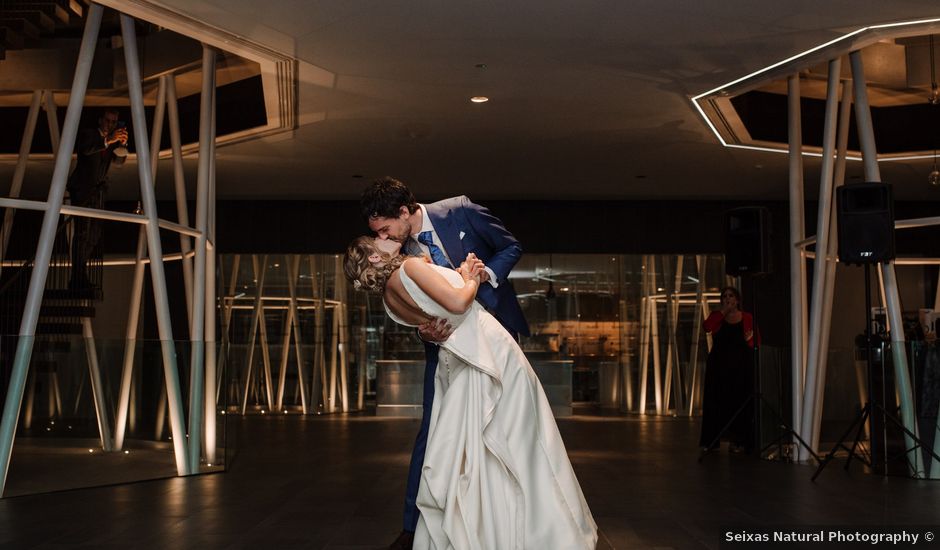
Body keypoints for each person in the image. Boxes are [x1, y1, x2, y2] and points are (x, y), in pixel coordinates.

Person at [344, 236, 597, 549]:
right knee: (522, 438)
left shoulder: (389, 299)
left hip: (458, 361)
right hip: (487, 351)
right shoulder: (408, 268)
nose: (384, 238)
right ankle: (533, 529)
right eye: (376, 240)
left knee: (475, 452)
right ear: (375, 259)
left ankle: (489, 528)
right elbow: (458, 303)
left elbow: (434, 320)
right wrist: (469, 276)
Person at [360, 177, 530, 550]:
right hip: (446, 349)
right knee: (433, 431)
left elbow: (511, 246)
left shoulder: (461, 210)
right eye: (377, 233)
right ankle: (414, 527)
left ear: (404, 212)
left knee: (504, 426)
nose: (384, 237)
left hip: (494, 335)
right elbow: (412, 306)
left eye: (386, 228)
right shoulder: (400, 254)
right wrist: (424, 333)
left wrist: (482, 275)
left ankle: (510, 516)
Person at [66, 108, 128, 289]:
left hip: (98, 192)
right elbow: (86, 150)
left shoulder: (111, 142)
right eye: (108, 121)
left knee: (94, 234)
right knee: (82, 232)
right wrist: (109, 140)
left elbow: (118, 162)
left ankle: (80, 273)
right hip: (83, 190)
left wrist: (123, 144)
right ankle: (77, 277)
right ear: (101, 120)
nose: (111, 125)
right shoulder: (90, 135)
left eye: (114, 122)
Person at [699, 286, 758, 453]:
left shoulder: (747, 317)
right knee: (716, 402)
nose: (727, 299)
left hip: (740, 367)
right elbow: (707, 327)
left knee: (739, 402)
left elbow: (756, 343)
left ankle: (739, 441)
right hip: (719, 367)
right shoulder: (717, 316)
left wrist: (749, 340)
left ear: (737, 300)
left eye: (731, 296)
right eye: (724, 296)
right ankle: (712, 441)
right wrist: (723, 312)